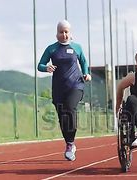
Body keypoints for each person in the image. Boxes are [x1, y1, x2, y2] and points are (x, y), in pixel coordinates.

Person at [37, 20, 91, 161]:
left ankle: (71, 140)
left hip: (76, 85)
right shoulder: (52, 49)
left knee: (69, 107)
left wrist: (86, 73)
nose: (64, 34)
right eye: (61, 32)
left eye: (66, 31)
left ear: (70, 33)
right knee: (62, 116)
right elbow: (40, 65)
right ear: (57, 34)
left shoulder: (77, 48)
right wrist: (46, 67)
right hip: (59, 88)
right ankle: (69, 144)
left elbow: (84, 62)